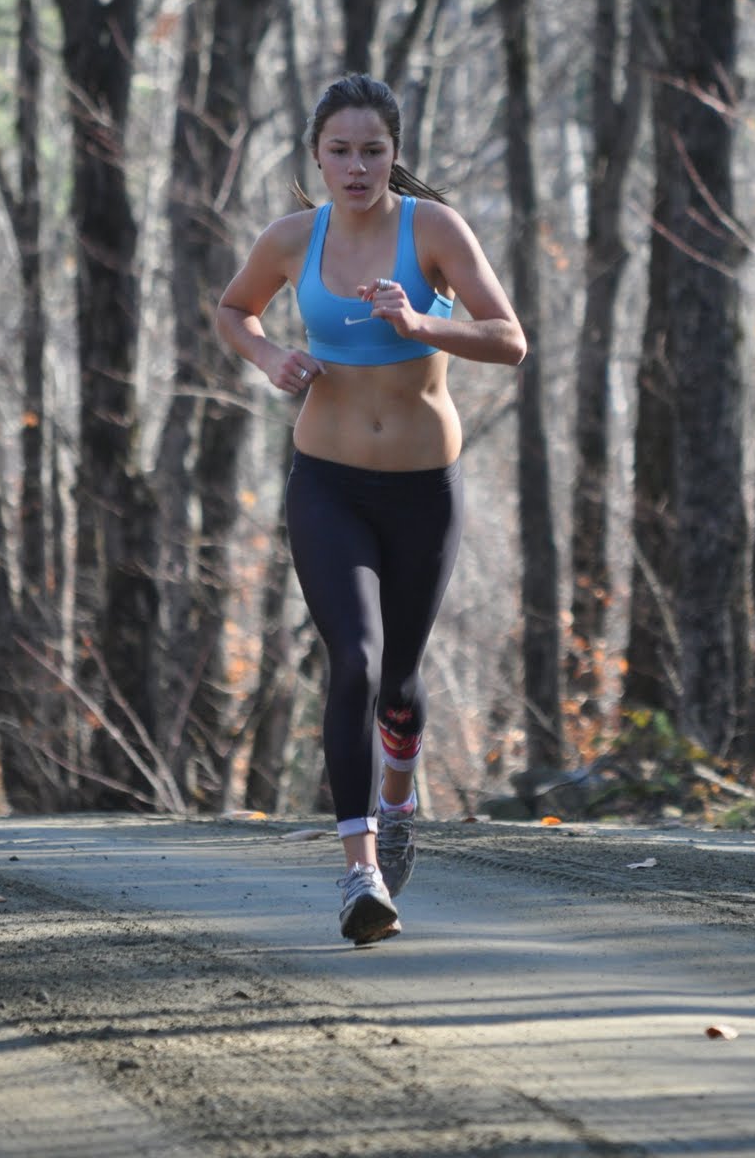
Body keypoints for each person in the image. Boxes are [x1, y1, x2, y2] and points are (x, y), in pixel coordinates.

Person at [216, 72, 526, 946]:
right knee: (352, 660)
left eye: (372, 151)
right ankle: (360, 873)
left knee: (398, 686)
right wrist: (270, 357)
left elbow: (508, 340)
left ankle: (398, 801)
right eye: (341, 151)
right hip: (328, 482)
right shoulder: (290, 239)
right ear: (317, 156)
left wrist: (423, 325)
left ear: (394, 154)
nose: (356, 167)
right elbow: (233, 310)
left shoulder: (434, 231)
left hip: (425, 488)